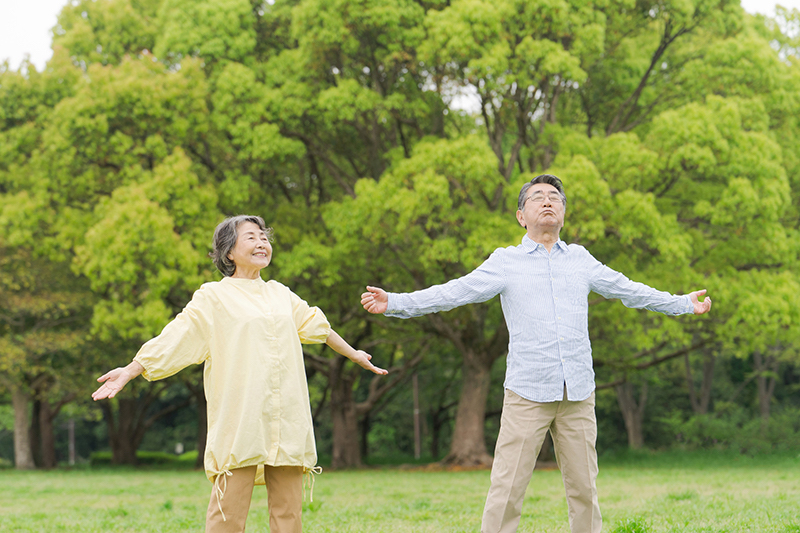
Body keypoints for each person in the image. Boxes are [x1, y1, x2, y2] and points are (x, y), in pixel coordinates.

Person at [361, 174, 712, 533]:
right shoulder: (505, 262)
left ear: (563, 212)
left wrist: (682, 304)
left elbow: (630, 290)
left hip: (578, 392)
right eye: (537, 197)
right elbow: (454, 292)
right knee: (507, 489)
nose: (547, 201)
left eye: (554, 198)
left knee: (585, 491)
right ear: (521, 215)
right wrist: (396, 303)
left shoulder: (580, 259)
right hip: (527, 393)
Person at [93, 215, 387, 533]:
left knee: (289, 514)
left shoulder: (280, 294)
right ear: (229, 252)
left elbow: (320, 326)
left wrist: (354, 354)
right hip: (241, 420)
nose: (261, 242)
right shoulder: (213, 297)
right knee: (227, 515)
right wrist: (131, 369)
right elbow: (175, 336)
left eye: (264, 237)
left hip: (286, 416)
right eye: (251, 237)